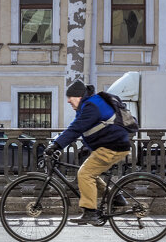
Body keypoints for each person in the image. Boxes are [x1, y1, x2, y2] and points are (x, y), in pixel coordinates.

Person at [45, 78, 130, 226]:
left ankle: (90, 212)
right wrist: (56, 143)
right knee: (90, 173)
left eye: (70, 98)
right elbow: (73, 128)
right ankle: (115, 197)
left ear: (78, 96)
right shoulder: (87, 106)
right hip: (111, 144)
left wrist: (56, 145)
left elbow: (76, 128)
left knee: (85, 174)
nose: (68, 102)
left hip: (113, 146)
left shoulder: (91, 106)